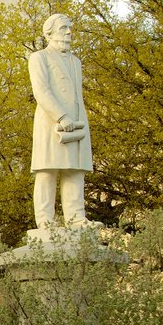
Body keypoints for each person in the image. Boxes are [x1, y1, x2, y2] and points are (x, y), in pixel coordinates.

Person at [29, 14, 94, 230]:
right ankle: (45, 221)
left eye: (70, 28)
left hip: (77, 123)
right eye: (64, 28)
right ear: (50, 32)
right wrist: (61, 116)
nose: (68, 32)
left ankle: (76, 219)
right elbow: (41, 90)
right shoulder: (39, 57)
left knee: (74, 170)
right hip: (51, 123)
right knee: (48, 171)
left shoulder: (75, 61)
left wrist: (77, 120)